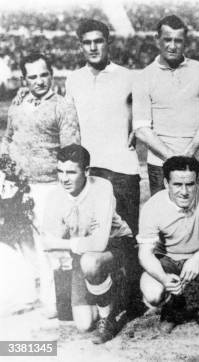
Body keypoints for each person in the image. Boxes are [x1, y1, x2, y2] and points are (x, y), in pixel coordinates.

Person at [65, 20, 142, 313]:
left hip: (123, 167)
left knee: (126, 236)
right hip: (92, 170)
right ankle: (102, 296)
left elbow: (144, 115)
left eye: (99, 41)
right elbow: (70, 123)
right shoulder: (73, 79)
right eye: (87, 42)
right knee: (97, 235)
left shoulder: (127, 77)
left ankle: (132, 298)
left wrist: (137, 128)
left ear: (108, 43)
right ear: (81, 45)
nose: (93, 47)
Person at [1, 52, 80, 316]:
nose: (39, 81)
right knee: (22, 241)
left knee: (51, 242)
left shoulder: (62, 105)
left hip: (49, 185)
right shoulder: (18, 102)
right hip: (17, 185)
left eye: (43, 74)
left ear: (52, 74)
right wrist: (5, 172)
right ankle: (27, 293)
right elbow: (9, 137)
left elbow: (71, 150)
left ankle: (56, 301)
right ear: (24, 79)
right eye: (32, 76)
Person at [40, 144, 132, 344]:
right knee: (84, 324)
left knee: (91, 262)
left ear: (87, 171)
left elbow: (99, 243)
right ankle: (109, 291)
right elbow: (47, 243)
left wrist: (63, 242)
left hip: (115, 246)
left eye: (71, 172)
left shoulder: (102, 188)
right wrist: (66, 242)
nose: (64, 178)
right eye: (60, 171)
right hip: (81, 255)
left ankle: (108, 318)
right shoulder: (55, 196)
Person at [137, 156, 199, 344]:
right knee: (153, 294)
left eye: (190, 184)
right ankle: (173, 306)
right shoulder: (153, 206)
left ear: (197, 181)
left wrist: (197, 258)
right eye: (177, 184)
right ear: (166, 183)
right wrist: (164, 279)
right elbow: (144, 253)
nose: (184, 191)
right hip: (169, 259)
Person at [133, 15, 199, 196]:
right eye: (167, 39)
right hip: (161, 165)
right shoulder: (144, 77)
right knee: (167, 220)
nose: (172, 46)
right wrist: (172, 158)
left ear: (185, 42)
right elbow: (141, 128)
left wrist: (189, 153)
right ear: (157, 39)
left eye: (178, 40)